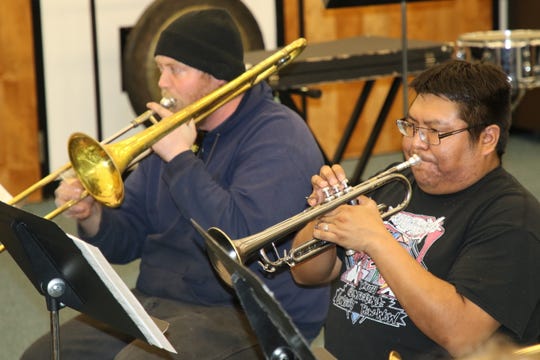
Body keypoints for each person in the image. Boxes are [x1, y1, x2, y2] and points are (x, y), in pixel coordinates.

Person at [22, 8, 329, 360]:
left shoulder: (278, 135)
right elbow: (127, 239)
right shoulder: (173, 133)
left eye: (175, 70)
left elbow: (239, 247)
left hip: (246, 313)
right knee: (42, 356)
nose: (162, 82)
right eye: (160, 68)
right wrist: (91, 214)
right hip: (160, 302)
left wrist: (181, 160)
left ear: (214, 74)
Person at [291, 59, 540, 359]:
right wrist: (323, 216)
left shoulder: (513, 219)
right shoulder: (395, 181)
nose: (414, 144)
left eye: (434, 132)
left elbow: (461, 334)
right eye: (410, 126)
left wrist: (376, 239)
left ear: (487, 139)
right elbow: (307, 274)